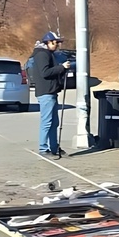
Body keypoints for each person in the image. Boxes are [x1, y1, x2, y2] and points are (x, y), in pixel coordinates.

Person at [31, 31, 70, 159]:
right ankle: (43, 148)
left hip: (51, 91)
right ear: (47, 42)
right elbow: (45, 73)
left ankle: (54, 147)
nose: (57, 45)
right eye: (55, 42)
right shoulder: (42, 54)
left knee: (54, 122)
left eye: (57, 42)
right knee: (47, 122)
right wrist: (62, 67)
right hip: (46, 92)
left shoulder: (47, 53)